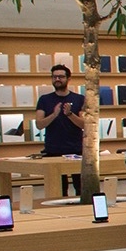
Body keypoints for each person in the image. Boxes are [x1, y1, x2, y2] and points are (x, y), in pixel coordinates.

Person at [34, 64, 86, 195]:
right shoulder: (44, 99)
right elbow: (39, 124)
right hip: (53, 150)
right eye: (54, 77)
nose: (57, 79)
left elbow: (84, 125)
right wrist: (54, 115)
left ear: (68, 79)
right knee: (58, 190)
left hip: (76, 150)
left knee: (81, 188)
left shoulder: (79, 99)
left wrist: (69, 114)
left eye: (61, 76)